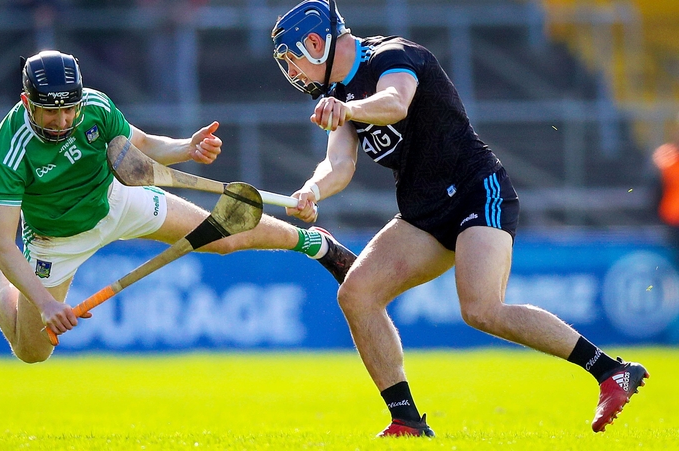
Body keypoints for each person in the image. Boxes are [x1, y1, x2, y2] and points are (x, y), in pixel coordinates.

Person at [270, 0, 648, 437]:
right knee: (357, 294)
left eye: (293, 58)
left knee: (482, 309)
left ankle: (610, 371)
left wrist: (350, 110)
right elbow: (338, 164)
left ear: (315, 43)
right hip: (423, 210)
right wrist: (312, 190)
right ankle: (406, 420)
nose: (293, 71)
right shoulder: (335, 96)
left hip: (475, 189)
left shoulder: (392, 55)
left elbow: (395, 102)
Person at [0, 50, 356, 364]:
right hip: (55, 239)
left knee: (223, 237)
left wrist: (188, 148)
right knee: (31, 351)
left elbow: (139, 145)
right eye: (50, 111)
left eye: (68, 109)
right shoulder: (8, 151)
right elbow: (11, 244)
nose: (61, 120)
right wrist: (45, 303)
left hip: (117, 199)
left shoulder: (94, 107)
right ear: (27, 102)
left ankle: (314, 244)